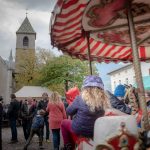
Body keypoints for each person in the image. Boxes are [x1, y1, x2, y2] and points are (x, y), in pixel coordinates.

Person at [61, 75, 111, 149]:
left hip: (80, 130)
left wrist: (73, 103)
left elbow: (69, 111)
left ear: (85, 88)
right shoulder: (104, 100)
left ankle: (68, 145)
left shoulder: (80, 98)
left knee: (64, 123)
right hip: (96, 131)